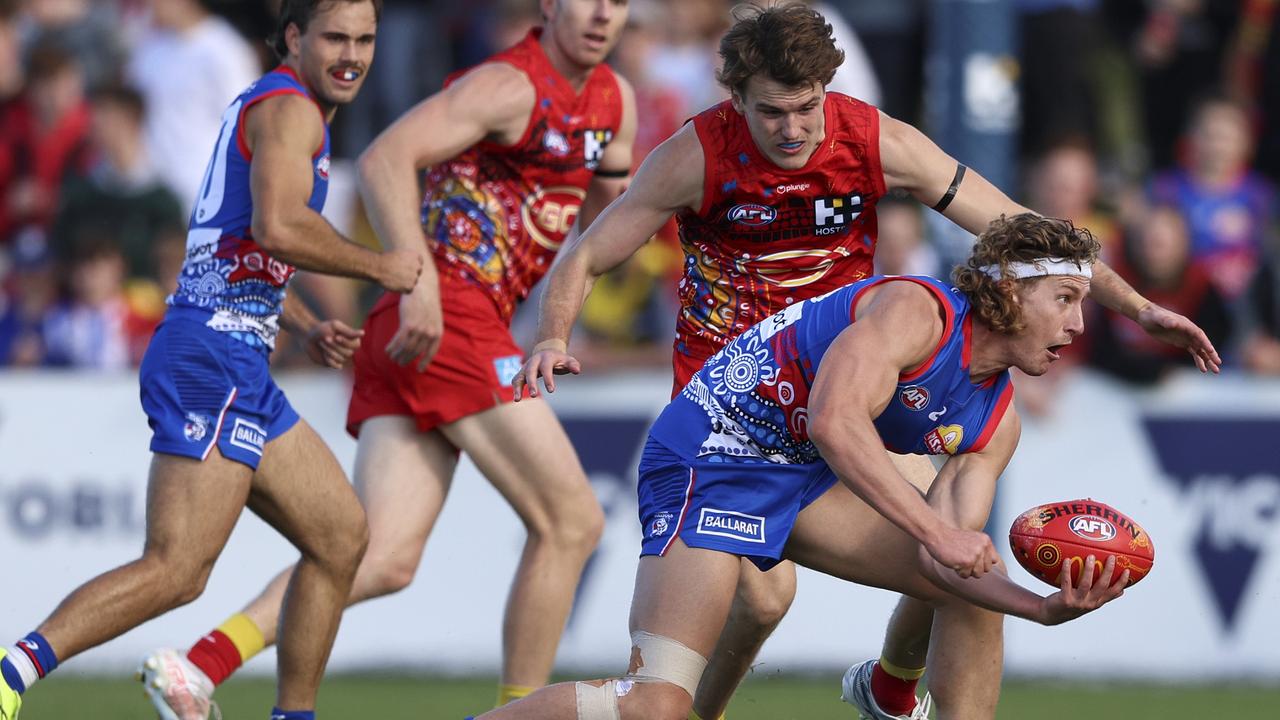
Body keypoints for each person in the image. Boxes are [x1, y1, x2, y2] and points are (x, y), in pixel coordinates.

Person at [514, 6, 1220, 719]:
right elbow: (590, 254)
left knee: (959, 559)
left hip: (850, 379)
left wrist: (1137, 308)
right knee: (767, 604)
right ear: (734, 99)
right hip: (733, 414)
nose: (792, 130)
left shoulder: (874, 141)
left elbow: (1017, 228)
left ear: (830, 87)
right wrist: (551, 335)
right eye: (771, 113)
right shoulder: (696, 155)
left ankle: (891, 685)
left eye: (806, 109)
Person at [139, 0, 636, 716]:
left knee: (378, 556)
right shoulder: (508, 85)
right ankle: (517, 714)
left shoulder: (613, 103)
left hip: (434, 329)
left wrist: (637, 205)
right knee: (573, 522)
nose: (601, 15)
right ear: (550, 6)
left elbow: (604, 226)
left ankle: (199, 665)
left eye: (617, 1)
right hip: (449, 316)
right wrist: (423, 287)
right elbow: (384, 157)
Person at [487, 213, 1129, 720]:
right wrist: (940, 534)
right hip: (709, 457)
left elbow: (947, 566)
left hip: (802, 474)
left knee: (968, 590)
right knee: (655, 705)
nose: (1077, 325)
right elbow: (834, 422)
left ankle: (889, 697)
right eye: (1065, 298)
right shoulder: (917, 312)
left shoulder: (997, 423)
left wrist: (1040, 609)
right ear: (1009, 293)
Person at [0, 2, 424, 719]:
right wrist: (379, 265)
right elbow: (279, 227)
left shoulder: (279, 108)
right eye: (335, 38)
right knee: (176, 568)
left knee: (342, 537)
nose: (352, 55)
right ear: (294, 37)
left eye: (365, 39)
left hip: (235, 355)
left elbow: (228, 249)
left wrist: (304, 322)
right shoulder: (292, 112)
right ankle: (10, 678)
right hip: (212, 356)